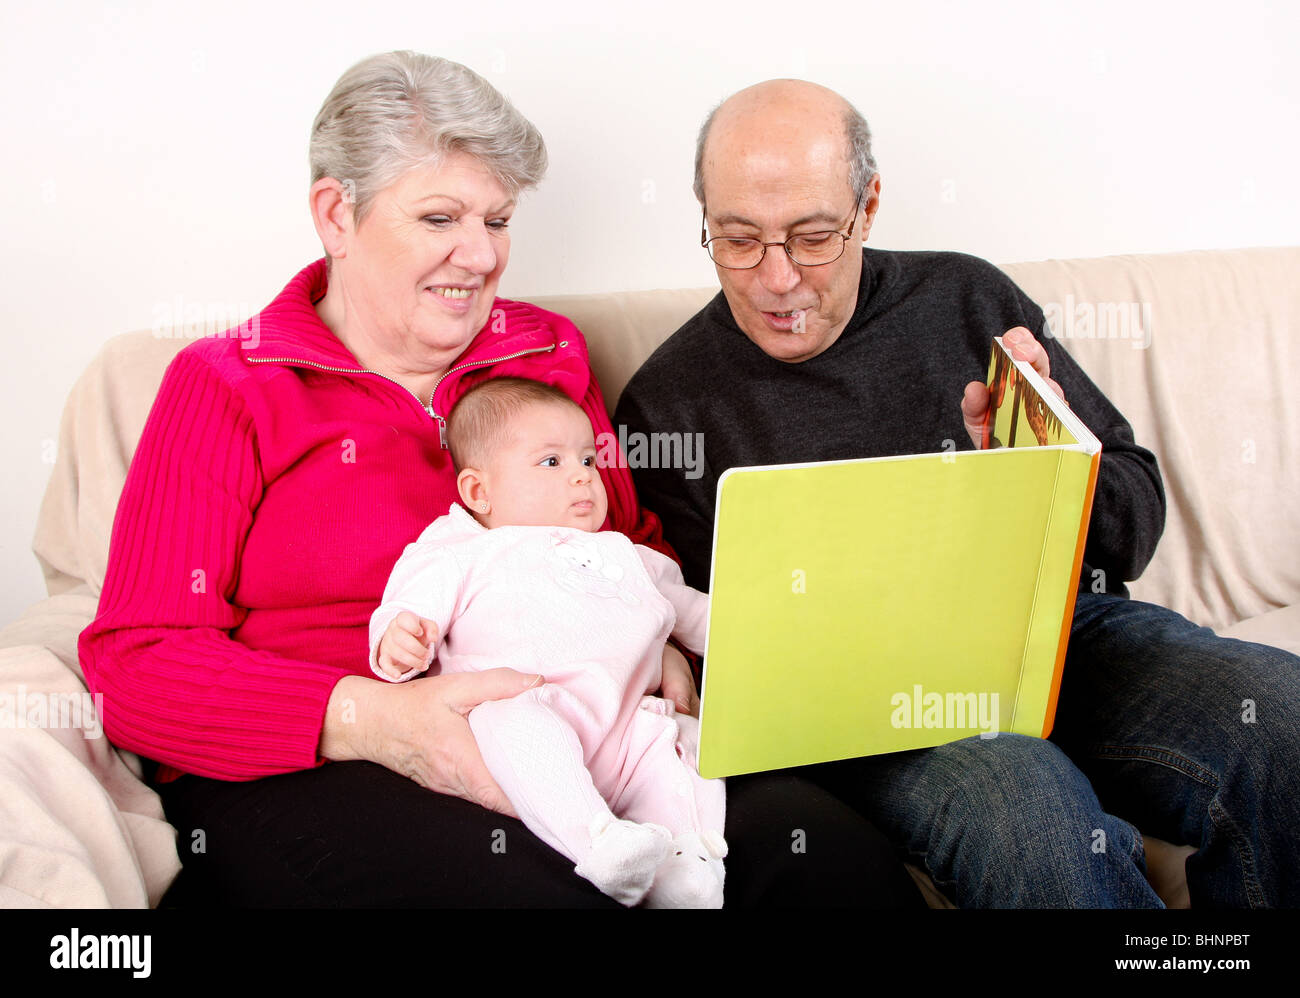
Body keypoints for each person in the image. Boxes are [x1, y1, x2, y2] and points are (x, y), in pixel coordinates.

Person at [78, 52, 923, 908]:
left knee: (836, 867)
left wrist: (657, 637)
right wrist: (377, 720)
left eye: (499, 219)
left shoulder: (544, 351)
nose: (480, 256)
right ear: (337, 214)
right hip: (333, 764)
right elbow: (138, 662)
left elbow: (624, 537)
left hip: (594, 726)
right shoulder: (230, 382)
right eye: (441, 217)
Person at [615, 78, 1300, 908]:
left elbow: (1135, 520)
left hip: (1056, 637)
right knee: (1025, 810)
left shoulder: (967, 298)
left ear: (868, 207)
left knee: (1279, 711)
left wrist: (1033, 471)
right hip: (863, 705)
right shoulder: (667, 404)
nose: (776, 279)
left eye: (813, 237)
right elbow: (704, 648)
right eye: (737, 239)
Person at [370, 378, 726, 907]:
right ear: (478, 492)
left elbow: (700, 615)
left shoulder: (626, 554)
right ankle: (601, 844)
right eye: (552, 463)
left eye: (588, 460)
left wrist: (760, 631)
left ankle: (686, 861)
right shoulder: (461, 551)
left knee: (688, 743)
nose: (582, 476)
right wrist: (400, 637)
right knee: (506, 719)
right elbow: (406, 606)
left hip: (629, 730)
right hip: (530, 718)